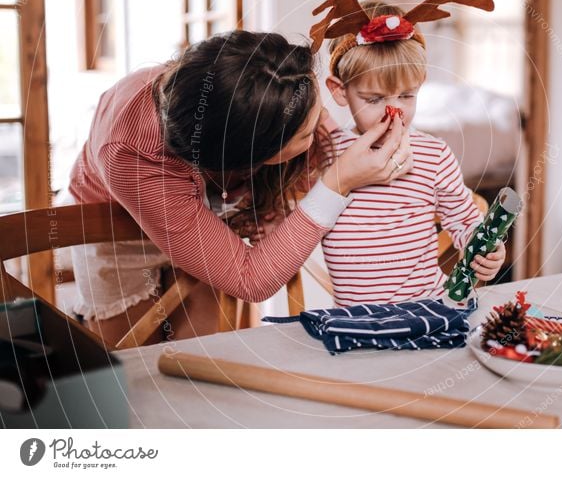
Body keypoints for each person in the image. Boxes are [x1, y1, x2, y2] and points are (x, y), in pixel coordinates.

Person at [67, 30, 413, 345]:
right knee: (132, 364)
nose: (320, 130)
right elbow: (252, 280)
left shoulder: (266, 83)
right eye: (306, 135)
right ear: (249, 156)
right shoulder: (132, 153)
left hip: (205, 205)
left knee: (195, 353)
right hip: (116, 229)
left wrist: (279, 210)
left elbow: (316, 156)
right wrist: (338, 182)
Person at [320, 1, 506, 306]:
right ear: (341, 91)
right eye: (375, 98)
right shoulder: (326, 155)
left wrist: (489, 248)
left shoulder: (434, 155)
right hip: (356, 320)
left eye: (407, 95)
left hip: (427, 309)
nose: (395, 111)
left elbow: (465, 222)